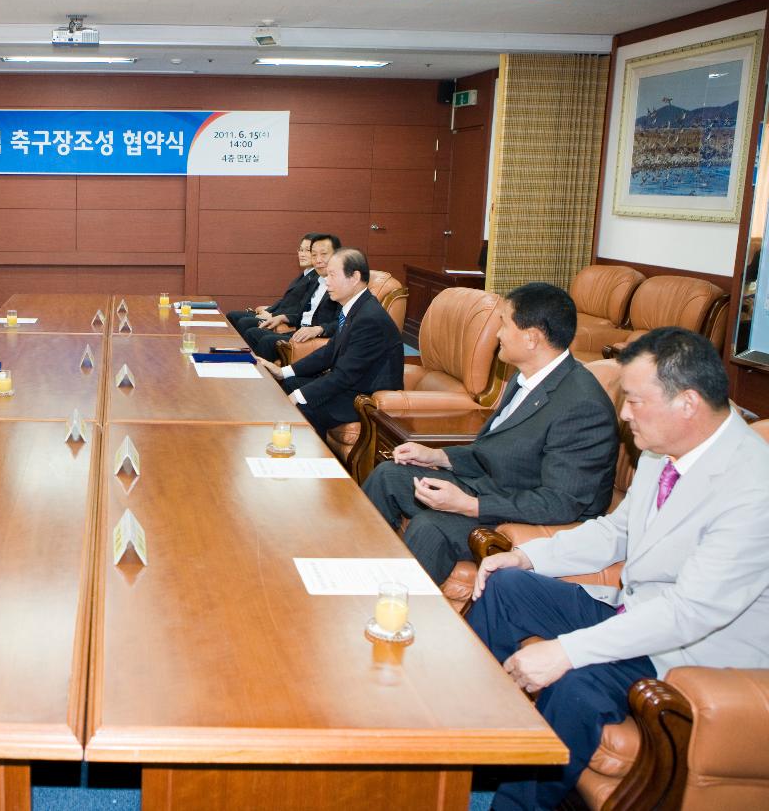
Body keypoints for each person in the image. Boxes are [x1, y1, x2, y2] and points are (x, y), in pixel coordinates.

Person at [468, 327, 769, 810]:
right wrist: (529, 556)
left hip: (692, 653)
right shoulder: (663, 449)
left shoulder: (754, 488)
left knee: (576, 684)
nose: (623, 414)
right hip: (636, 615)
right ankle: (473, 738)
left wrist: (565, 651)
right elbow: (617, 532)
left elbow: (689, 613)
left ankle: (514, 803)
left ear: (687, 402)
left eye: (633, 400)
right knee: (507, 585)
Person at [363, 282, 618, 585]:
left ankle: (393, 610)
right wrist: (437, 456)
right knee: (388, 476)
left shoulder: (582, 405)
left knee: (431, 526)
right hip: (486, 486)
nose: (497, 334)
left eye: (504, 324)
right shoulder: (525, 378)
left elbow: (561, 502)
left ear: (532, 338)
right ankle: (357, 568)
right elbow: (493, 450)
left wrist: (469, 505)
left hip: (516, 510)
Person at [258, 248, 404, 436]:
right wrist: (284, 372)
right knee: (286, 385)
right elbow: (329, 351)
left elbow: (344, 376)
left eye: (332, 275)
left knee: (301, 407)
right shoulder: (356, 308)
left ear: (354, 277)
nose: (326, 281)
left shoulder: (370, 318)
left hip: (364, 398)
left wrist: (298, 396)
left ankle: (309, 461)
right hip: (349, 387)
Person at [243, 234, 344, 362]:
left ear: (337, 256)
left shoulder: (342, 286)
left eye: (323, 254)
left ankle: (263, 379)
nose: (318, 260)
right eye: (314, 255)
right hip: (299, 332)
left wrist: (319, 329)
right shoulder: (316, 281)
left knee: (267, 341)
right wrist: (281, 317)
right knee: (252, 333)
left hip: (315, 338)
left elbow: (344, 322)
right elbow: (302, 313)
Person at [226, 234, 319, 341]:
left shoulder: (316, 278)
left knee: (244, 322)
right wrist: (269, 309)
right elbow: (286, 300)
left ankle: (245, 355)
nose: (302, 254)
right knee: (233, 315)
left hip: (287, 319)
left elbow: (300, 307)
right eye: (301, 250)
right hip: (277, 313)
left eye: (307, 250)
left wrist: (272, 314)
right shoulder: (305, 274)